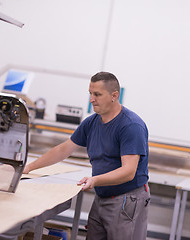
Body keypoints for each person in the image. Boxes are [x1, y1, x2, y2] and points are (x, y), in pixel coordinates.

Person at [23, 71, 150, 240]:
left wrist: (95, 180)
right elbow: (64, 149)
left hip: (127, 200)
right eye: (90, 93)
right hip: (102, 196)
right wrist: (29, 167)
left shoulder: (131, 126)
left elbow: (128, 172)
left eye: (97, 94)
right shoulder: (91, 123)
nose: (91, 99)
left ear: (114, 96)